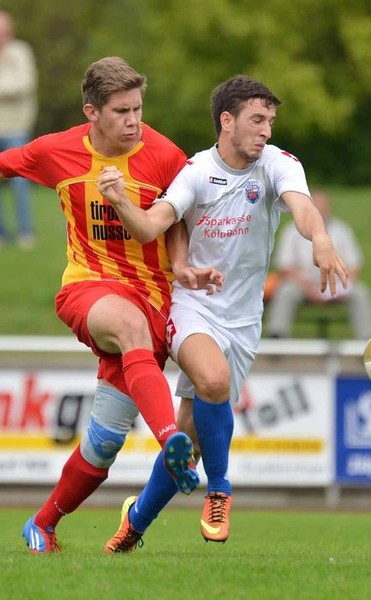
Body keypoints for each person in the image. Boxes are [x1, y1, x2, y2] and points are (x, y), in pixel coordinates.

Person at [96, 74, 348, 551]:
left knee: (189, 440)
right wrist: (121, 200)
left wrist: (320, 237)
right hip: (193, 306)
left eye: (270, 121)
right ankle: (219, 490)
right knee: (213, 380)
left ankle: (134, 524)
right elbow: (149, 227)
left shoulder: (277, 164)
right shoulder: (195, 172)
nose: (266, 130)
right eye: (257, 120)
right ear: (227, 121)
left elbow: (302, 207)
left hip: (244, 321)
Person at [0, 56, 223, 554]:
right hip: (89, 287)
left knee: (104, 443)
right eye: (121, 111)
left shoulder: (165, 155)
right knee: (127, 325)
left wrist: (181, 264)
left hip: (154, 299)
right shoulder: (56, 151)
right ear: (92, 112)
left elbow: (178, 217)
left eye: (138, 109)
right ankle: (171, 440)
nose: (133, 121)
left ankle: (42, 524)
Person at [266, 190, 371, 339]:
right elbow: (285, 267)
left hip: (336, 285)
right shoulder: (291, 231)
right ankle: (277, 336)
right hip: (302, 285)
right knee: (286, 291)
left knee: (360, 292)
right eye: (316, 207)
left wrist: (339, 288)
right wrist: (308, 288)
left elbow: (354, 266)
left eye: (323, 207)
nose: (320, 211)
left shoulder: (342, 230)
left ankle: (368, 339)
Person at [0, 10, 38, 249]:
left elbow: (24, 84)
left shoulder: (20, 52)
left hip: (17, 127)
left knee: (20, 184)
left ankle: (26, 232)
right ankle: (2, 234)